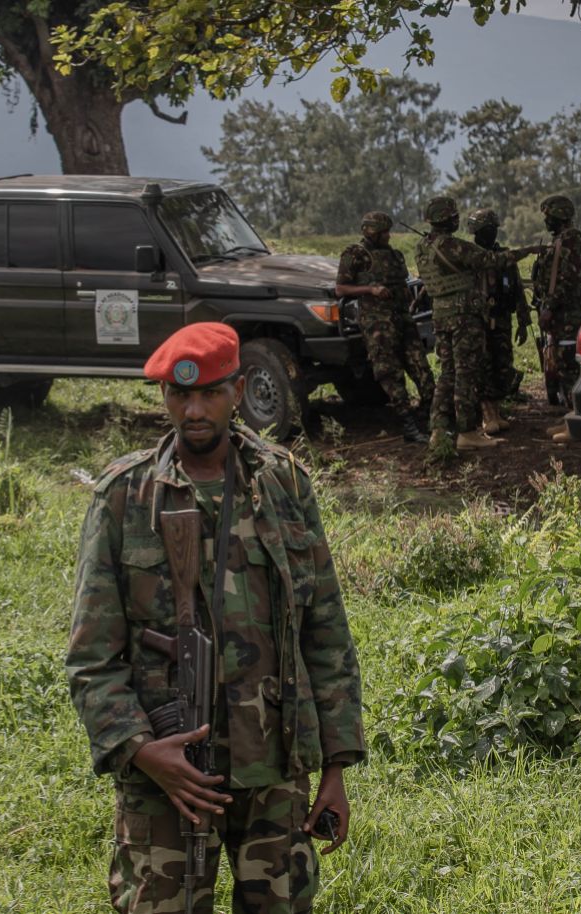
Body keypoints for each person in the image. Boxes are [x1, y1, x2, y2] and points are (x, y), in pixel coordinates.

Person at [67, 321, 364, 913]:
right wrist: (143, 750)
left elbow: (324, 630)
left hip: (274, 765)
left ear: (240, 389)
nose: (194, 410)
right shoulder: (126, 497)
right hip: (168, 771)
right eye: (180, 395)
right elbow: (91, 656)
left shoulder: (283, 483)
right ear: (163, 397)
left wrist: (335, 766)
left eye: (210, 393)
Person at [413, 196, 541, 451]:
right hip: (464, 317)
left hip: (441, 316)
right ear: (448, 219)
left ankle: (438, 430)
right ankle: (468, 431)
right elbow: (491, 260)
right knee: (466, 373)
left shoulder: (422, 247)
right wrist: (526, 251)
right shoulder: (452, 246)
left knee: (447, 373)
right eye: (454, 216)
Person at [333, 211, 434, 443]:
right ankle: (408, 424)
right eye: (383, 232)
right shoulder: (355, 254)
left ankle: (431, 415)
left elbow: (403, 282)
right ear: (371, 232)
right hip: (378, 324)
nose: (388, 236)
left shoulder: (394, 255)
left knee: (421, 367)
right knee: (390, 372)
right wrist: (371, 290)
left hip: (403, 318)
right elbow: (341, 289)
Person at [529, 194, 581, 442]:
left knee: (569, 366)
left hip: (567, 312)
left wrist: (550, 307)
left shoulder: (571, 240)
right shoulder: (561, 240)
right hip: (560, 313)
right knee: (560, 363)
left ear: (558, 216)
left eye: (548, 216)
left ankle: (578, 422)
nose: (546, 222)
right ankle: (572, 415)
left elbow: (569, 278)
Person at [467, 208, 530, 405]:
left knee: (503, 362)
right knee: (481, 364)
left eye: (493, 228)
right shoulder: (468, 256)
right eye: (487, 229)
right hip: (477, 320)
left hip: (502, 316)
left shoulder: (505, 256)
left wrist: (523, 322)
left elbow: (518, 288)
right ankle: (485, 405)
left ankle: (502, 399)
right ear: (476, 231)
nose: (491, 232)